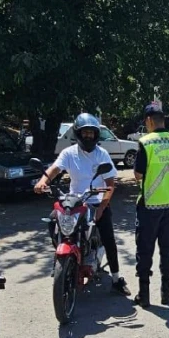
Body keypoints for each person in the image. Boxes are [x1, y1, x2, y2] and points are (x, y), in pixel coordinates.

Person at [34, 112, 131, 296]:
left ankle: (117, 278)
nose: (88, 136)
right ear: (78, 134)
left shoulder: (101, 154)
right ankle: (62, 261)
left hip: (95, 200)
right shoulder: (69, 153)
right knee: (54, 221)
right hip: (74, 200)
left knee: (109, 237)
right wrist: (43, 181)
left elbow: (110, 185)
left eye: (91, 133)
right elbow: (54, 169)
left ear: (96, 135)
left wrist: (102, 208)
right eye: (85, 133)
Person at [132, 102, 169, 308]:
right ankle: (166, 292)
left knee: (145, 249)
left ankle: (144, 295)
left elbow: (138, 174)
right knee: (168, 249)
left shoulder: (146, 143)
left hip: (150, 204)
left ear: (149, 121)